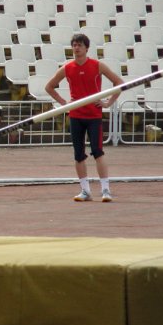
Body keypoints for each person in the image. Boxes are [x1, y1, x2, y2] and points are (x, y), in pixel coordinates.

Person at [44, 34, 124, 203]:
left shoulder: (97, 65)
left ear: (86, 48)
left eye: (79, 45)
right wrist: (64, 103)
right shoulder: (67, 68)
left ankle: (105, 190)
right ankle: (85, 190)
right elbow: (49, 87)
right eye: (74, 45)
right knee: (78, 154)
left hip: (93, 115)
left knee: (97, 151)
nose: (76, 48)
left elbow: (119, 83)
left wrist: (108, 103)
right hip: (76, 116)